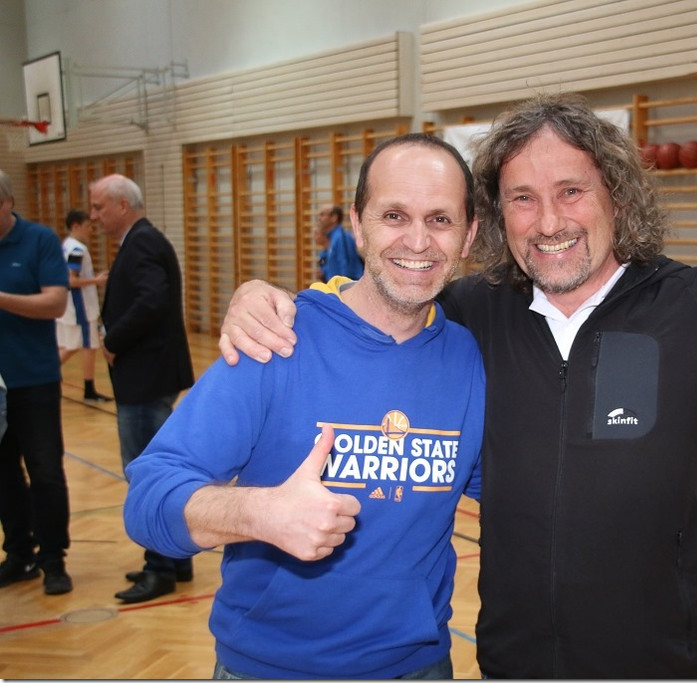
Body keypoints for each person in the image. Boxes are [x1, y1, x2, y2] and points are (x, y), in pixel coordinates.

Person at [219, 93, 697, 678]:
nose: (550, 221)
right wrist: (267, 298)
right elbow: (373, 311)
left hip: (663, 664)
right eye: (523, 199)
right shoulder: (469, 313)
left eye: (571, 192)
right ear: (496, 216)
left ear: (616, 194)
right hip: (513, 661)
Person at [123, 134, 484, 679]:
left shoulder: (469, 358)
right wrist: (260, 514)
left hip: (420, 665)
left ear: (468, 235)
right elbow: (148, 498)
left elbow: (514, 489)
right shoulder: (276, 338)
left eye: (440, 219)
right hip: (269, 668)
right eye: (393, 215)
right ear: (358, 226)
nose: (418, 240)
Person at [89, 174, 196, 604]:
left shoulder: (143, 242)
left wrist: (113, 340)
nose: (94, 216)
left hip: (146, 376)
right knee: (157, 469)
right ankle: (175, 559)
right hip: (147, 374)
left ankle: (160, 568)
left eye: (99, 207)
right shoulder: (140, 240)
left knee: (148, 473)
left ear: (122, 205)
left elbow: (152, 300)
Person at [0, 169, 74, 596]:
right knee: (3, 473)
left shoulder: (39, 241)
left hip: (34, 380)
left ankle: (53, 558)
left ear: (8, 202)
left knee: (45, 471)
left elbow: (55, 302)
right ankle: (19, 554)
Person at [57, 209, 111, 402]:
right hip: (80, 307)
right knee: (83, 346)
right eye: (88, 226)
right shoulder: (77, 249)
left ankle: (87, 388)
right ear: (76, 226)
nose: (91, 230)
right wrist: (96, 280)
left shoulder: (66, 245)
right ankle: (88, 390)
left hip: (70, 306)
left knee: (74, 346)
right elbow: (71, 280)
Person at [317, 202, 363, 280]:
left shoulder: (342, 238)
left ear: (334, 218)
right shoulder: (332, 238)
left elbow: (347, 270)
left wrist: (343, 287)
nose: (319, 218)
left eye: (322, 215)